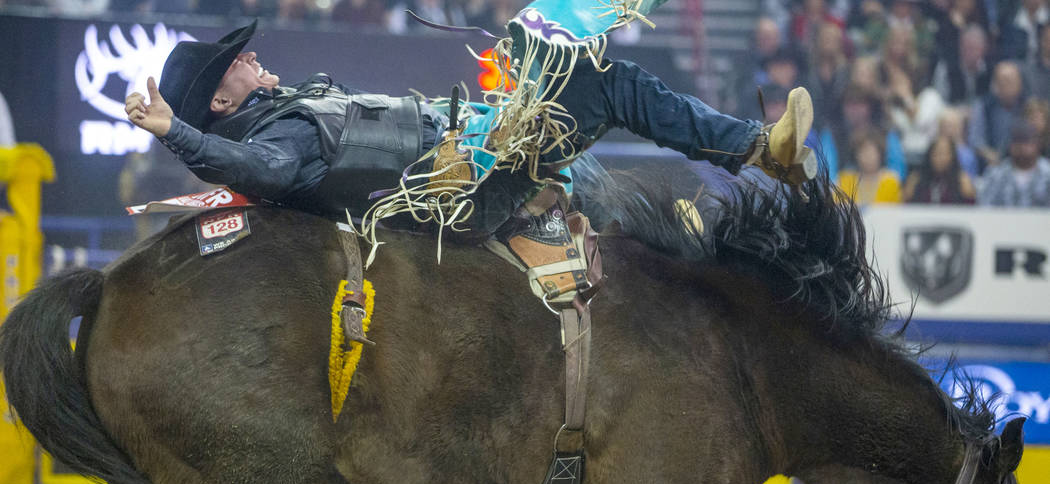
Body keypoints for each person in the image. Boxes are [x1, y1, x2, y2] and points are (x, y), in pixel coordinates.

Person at [124, 12, 818, 240]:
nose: (248, 54)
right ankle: (759, 151)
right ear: (219, 105)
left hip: (479, 151)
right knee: (601, 80)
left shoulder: (287, 112)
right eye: (233, 63)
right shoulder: (276, 140)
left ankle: (751, 166)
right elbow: (253, 171)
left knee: (551, 56)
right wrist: (172, 132)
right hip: (465, 190)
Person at [978, 121, 1050, 206]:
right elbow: (984, 208)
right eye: (1017, 142)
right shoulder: (995, 175)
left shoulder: (1047, 174)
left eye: (1026, 142)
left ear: (1037, 144)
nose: (1021, 147)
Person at [902, 134, 977, 204]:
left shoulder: (961, 179)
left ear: (952, 156)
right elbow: (905, 203)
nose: (940, 158)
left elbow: (971, 206)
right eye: (937, 153)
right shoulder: (916, 178)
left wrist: (968, 192)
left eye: (944, 153)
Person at [838, 128, 902, 205]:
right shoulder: (845, 179)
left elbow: (896, 211)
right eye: (863, 152)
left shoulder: (891, 180)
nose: (868, 157)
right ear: (856, 155)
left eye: (872, 152)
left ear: (880, 154)